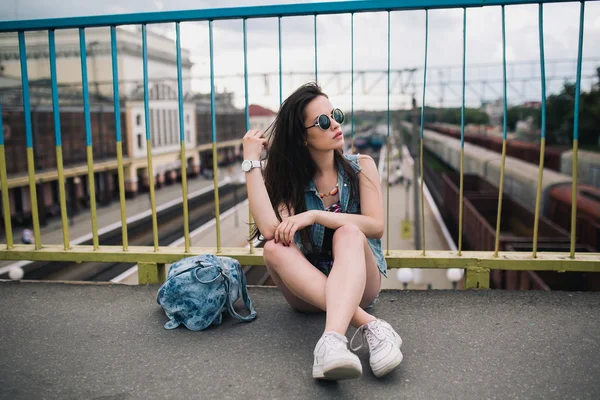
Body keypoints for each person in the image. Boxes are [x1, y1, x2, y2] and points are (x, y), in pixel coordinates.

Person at [242, 83, 403, 380]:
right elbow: (268, 228)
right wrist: (251, 161)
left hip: (362, 286)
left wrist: (318, 215)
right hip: (309, 293)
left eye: (335, 115)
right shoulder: (291, 184)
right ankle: (371, 327)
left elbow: (376, 226)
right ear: (303, 138)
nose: (336, 125)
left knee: (349, 232)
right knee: (273, 247)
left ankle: (331, 342)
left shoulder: (362, 167)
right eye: (324, 122)